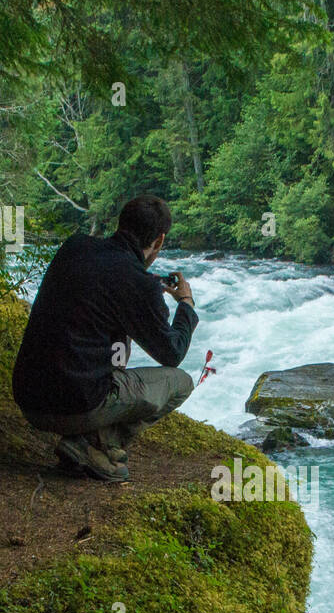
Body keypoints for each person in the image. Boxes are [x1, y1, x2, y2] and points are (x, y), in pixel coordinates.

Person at [12, 195, 198, 481]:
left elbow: (105, 277)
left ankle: (86, 440)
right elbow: (172, 353)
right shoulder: (139, 284)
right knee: (181, 382)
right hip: (73, 407)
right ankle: (95, 443)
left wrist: (147, 284)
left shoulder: (74, 247)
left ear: (121, 223)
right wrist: (185, 304)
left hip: (28, 397)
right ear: (159, 241)